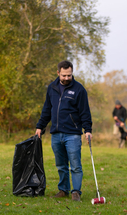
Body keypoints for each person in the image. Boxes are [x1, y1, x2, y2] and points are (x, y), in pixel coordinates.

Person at [35, 60, 92, 202]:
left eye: (69, 75)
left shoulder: (79, 89)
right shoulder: (52, 88)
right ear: (58, 73)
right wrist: (40, 126)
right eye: (64, 75)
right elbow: (47, 110)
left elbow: (85, 112)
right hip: (56, 133)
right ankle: (63, 190)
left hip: (73, 134)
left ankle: (76, 192)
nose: (67, 78)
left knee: (75, 165)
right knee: (61, 165)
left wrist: (88, 130)